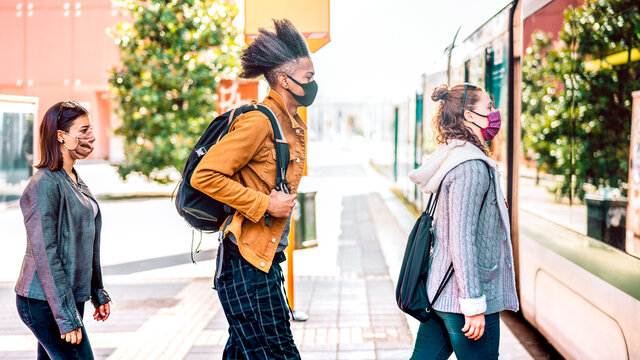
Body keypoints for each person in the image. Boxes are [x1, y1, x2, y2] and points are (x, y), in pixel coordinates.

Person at [190, 19, 316, 359]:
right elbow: (205, 175)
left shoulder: (294, 124)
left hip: (265, 259)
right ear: (282, 80)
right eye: (307, 78)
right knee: (279, 354)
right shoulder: (259, 121)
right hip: (247, 263)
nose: (313, 84)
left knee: (244, 352)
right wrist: (264, 204)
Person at [407, 83, 519, 359]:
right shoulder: (470, 167)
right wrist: (474, 305)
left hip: (442, 293)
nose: (495, 114)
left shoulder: (454, 156)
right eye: (489, 107)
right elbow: (462, 238)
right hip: (463, 301)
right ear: (469, 116)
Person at [15, 101, 112, 359]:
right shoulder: (44, 184)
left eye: (90, 129)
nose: (89, 137)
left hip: (66, 298)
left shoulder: (75, 179)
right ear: (61, 136)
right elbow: (46, 254)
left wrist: (96, 292)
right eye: (83, 130)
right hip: (43, 302)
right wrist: (66, 317)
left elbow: (85, 242)